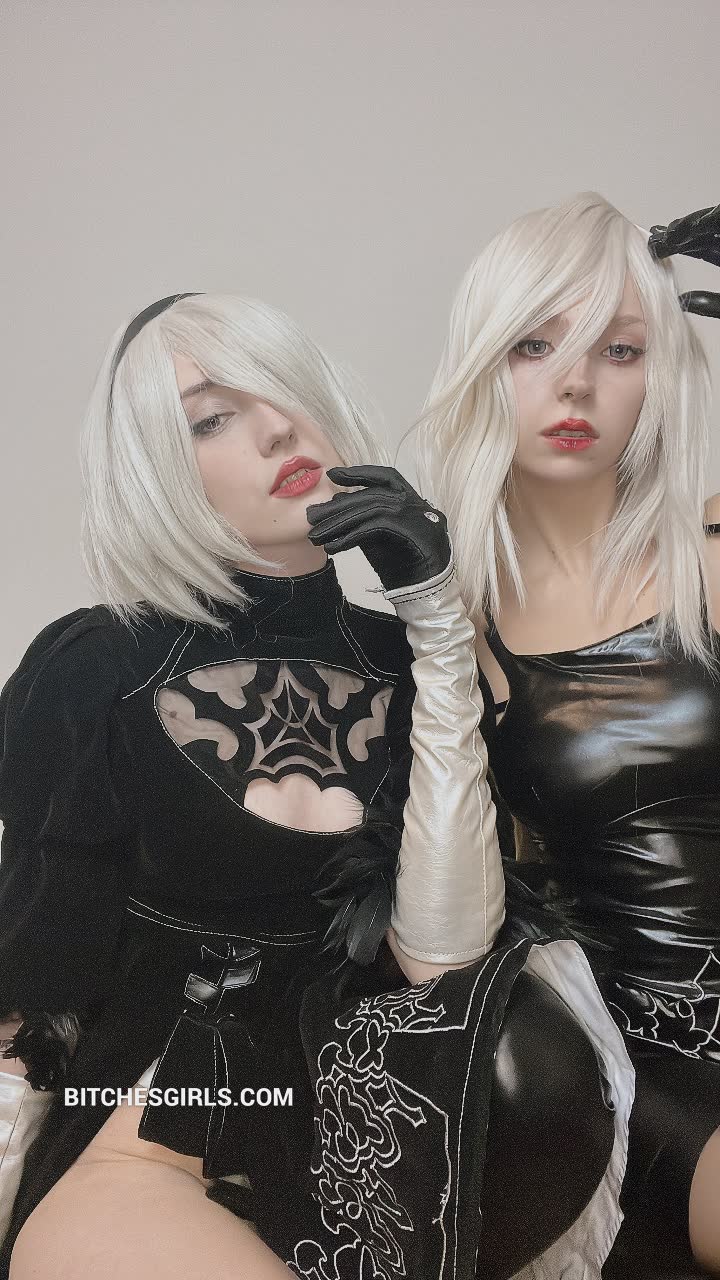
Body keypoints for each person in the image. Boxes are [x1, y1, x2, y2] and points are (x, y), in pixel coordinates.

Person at [0, 292, 629, 1280]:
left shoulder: (416, 662)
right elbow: (35, 974)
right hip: (146, 1151)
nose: (278, 429)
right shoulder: (96, 666)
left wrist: (436, 621)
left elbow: (442, 955)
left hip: (371, 1166)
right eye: (212, 417)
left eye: (285, 391)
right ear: (157, 466)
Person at [415, 194, 720, 1274]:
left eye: (619, 349)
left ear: (661, 372)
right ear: (483, 363)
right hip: (659, 1055)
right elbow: (434, 935)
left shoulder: (712, 548)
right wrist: (429, 624)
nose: (576, 383)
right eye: (534, 345)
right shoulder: (457, 622)